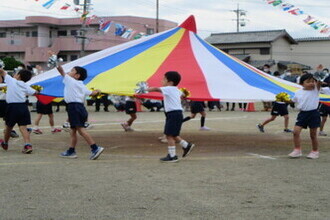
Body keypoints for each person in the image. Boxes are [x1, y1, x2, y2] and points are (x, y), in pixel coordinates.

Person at [54, 57, 104, 160]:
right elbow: (92, 93)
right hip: (80, 107)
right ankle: (71, 151)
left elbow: (60, 70)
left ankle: (95, 148)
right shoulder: (81, 84)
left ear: (77, 76)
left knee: (80, 130)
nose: (69, 72)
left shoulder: (70, 81)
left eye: (72, 70)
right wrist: (98, 91)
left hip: (74, 107)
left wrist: (54, 59)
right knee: (73, 130)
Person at [146, 71, 195, 162]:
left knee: (169, 135)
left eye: (164, 79)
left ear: (170, 82)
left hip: (173, 114)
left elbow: (156, 89)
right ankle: (186, 145)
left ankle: (172, 156)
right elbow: (184, 95)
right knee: (174, 134)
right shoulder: (176, 89)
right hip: (176, 113)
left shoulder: (169, 88)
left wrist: (145, 89)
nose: (162, 81)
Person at [0, 68, 37, 153]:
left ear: (18, 76)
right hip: (23, 107)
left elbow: (2, 71)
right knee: (23, 128)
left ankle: (5, 143)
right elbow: (34, 93)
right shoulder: (25, 85)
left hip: (12, 107)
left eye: (16, 73)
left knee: (9, 127)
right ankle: (28, 145)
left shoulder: (11, 80)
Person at [288, 73, 322, 159]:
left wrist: (317, 80)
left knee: (313, 135)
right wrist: (284, 99)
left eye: (312, 81)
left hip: (313, 114)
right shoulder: (298, 92)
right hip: (302, 114)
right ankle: (297, 150)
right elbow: (292, 101)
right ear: (301, 83)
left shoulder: (315, 90)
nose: (311, 83)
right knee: (295, 132)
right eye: (308, 82)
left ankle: (315, 151)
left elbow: (319, 83)